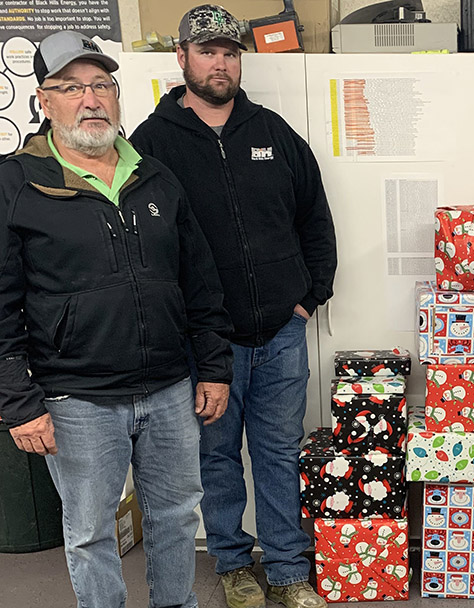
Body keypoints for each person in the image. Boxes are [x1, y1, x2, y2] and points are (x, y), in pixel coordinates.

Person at [0, 30, 233, 608]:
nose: (90, 99)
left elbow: (198, 280)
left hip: (169, 388)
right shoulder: (14, 183)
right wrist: (18, 403)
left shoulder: (153, 176)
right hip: (75, 398)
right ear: (43, 101)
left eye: (101, 84)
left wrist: (213, 366)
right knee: (89, 534)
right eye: (71, 87)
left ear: (116, 95)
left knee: (177, 517)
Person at [130, 5, 336, 608]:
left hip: (280, 333)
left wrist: (307, 298)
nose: (220, 63)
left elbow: (315, 222)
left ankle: (289, 568)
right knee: (216, 457)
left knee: (278, 452)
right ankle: (229, 561)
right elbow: (142, 245)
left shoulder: (274, 133)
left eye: (229, 52)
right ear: (182, 58)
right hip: (205, 344)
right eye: (207, 52)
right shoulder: (150, 145)